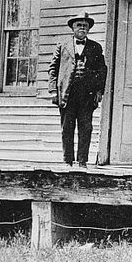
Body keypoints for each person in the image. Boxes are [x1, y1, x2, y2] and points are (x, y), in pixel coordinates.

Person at [48, 11, 107, 168]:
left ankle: (82, 162)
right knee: (67, 127)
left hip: (86, 95)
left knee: (85, 128)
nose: (82, 28)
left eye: (85, 26)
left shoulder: (95, 47)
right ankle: (67, 160)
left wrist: (99, 91)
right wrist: (53, 90)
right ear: (73, 28)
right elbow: (53, 68)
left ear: (88, 29)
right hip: (67, 93)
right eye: (79, 25)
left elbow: (102, 71)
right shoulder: (62, 46)